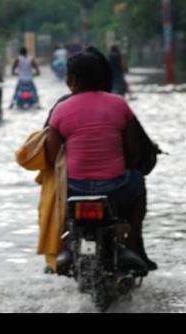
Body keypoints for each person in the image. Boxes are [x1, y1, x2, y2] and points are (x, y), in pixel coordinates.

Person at [44, 51, 157, 270]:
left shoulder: (60, 110)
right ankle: (133, 241)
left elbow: (53, 158)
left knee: (54, 190)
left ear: (72, 80)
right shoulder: (119, 105)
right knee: (138, 182)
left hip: (74, 189)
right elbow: (133, 154)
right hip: (115, 188)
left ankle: (63, 245)